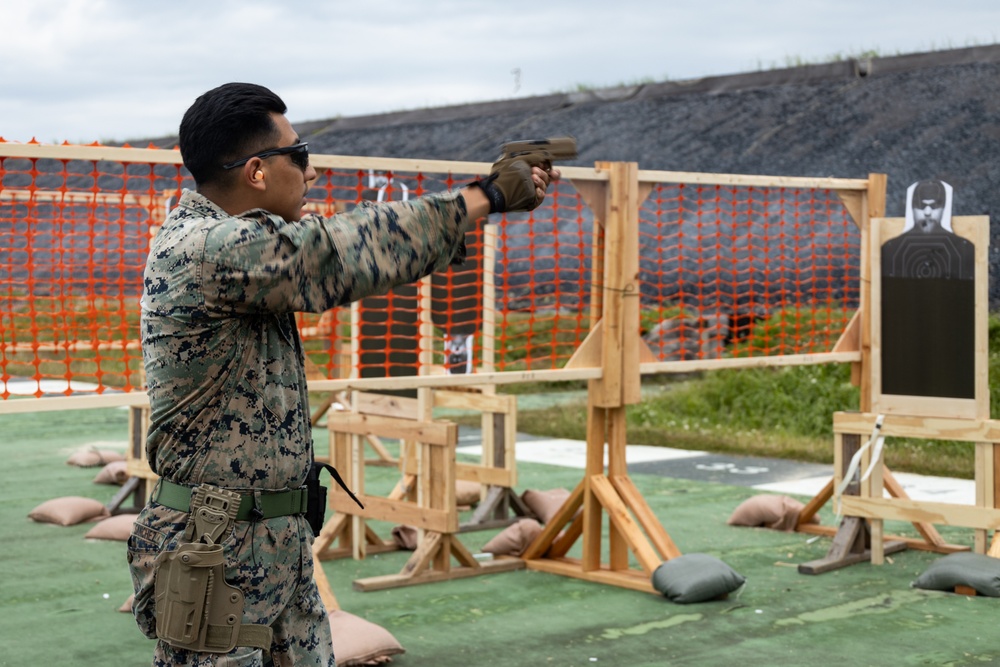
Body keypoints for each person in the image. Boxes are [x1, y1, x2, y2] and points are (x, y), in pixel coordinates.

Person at [126, 82, 559, 667]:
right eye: (298, 155)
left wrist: (478, 207)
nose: (311, 172)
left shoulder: (240, 242)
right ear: (256, 170)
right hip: (217, 554)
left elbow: (360, 239)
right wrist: (485, 197)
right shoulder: (209, 247)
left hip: (274, 543)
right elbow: (342, 251)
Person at [880, 179, 974, 280]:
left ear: (943, 208)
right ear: (912, 207)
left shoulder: (964, 249)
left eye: (934, 206)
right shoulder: (891, 250)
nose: (927, 212)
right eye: (921, 206)